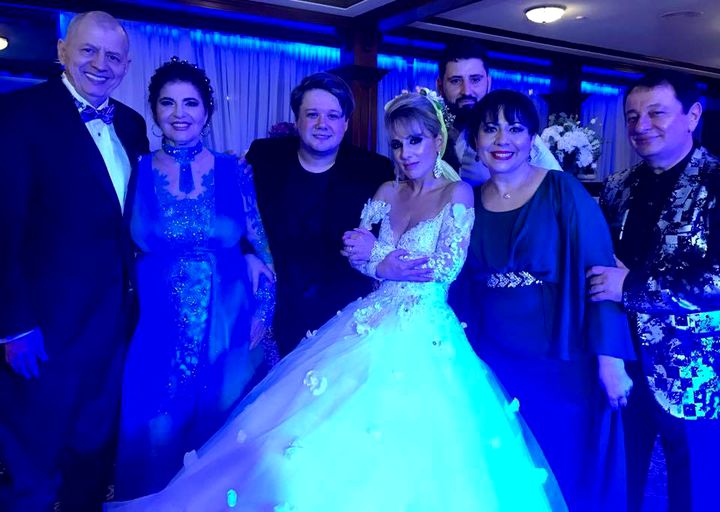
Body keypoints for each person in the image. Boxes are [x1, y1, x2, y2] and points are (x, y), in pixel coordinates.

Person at [107, 91, 566, 512]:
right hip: (371, 319)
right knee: (308, 432)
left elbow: (445, 265)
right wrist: (371, 257)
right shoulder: (386, 192)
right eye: (398, 144)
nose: (406, 153)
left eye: (416, 141)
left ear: (438, 141)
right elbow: (356, 252)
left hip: (426, 331)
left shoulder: (457, 192)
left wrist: (379, 258)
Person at [0, 11, 149, 512]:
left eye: (113, 56)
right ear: (62, 51)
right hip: (44, 331)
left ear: (126, 65)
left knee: (92, 458)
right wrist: (14, 327)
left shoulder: (132, 124)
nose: (100, 64)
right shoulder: (18, 115)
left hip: (113, 326)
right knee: (33, 464)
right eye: (88, 50)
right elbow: (4, 228)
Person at [458, 89, 634, 511]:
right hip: (493, 359)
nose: (502, 139)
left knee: (561, 461)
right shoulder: (467, 201)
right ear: (475, 140)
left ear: (532, 139)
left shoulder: (561, 190)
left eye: (516, 129)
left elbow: (600, 274)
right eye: (490, 129)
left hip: (560, 355)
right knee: (506, 469)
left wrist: (611, 360)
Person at [113, 58, 276, 500]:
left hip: (230, 326)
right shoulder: (135, 169)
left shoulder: (234, 169)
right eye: (168, 103)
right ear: (154, 110)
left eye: (190, 103)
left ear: (207, 111)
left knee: (224, 438)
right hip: (158, 327)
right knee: (156, 431)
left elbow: (261, 245)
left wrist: (264, 309)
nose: (179, 113)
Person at [594, 71, 720, 512]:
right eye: (632, 116)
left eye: (656, 113)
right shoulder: (616, 186)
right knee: (621, 478)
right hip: (621, 359)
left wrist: (630, 286)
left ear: (693, 115)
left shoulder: (715, 181)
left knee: (697, 486)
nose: (641, 125)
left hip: (694, 367)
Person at [244, 72, 393, 357]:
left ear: (345, 123)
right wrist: (247, 253)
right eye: (312, 114)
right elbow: (237, 212)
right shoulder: (265, 157)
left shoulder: (374, 170)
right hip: (276, 303)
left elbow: (389, 236)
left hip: (342, 311)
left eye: (333, 116)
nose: (322, 124)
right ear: (297, 120)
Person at [436, 40, 561, 185]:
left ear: (488, 82)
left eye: (475, 80)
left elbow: (558, 185)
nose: (467, 91)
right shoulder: (431, 132)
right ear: (440, 86)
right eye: (456, 81)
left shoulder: (515, 134)